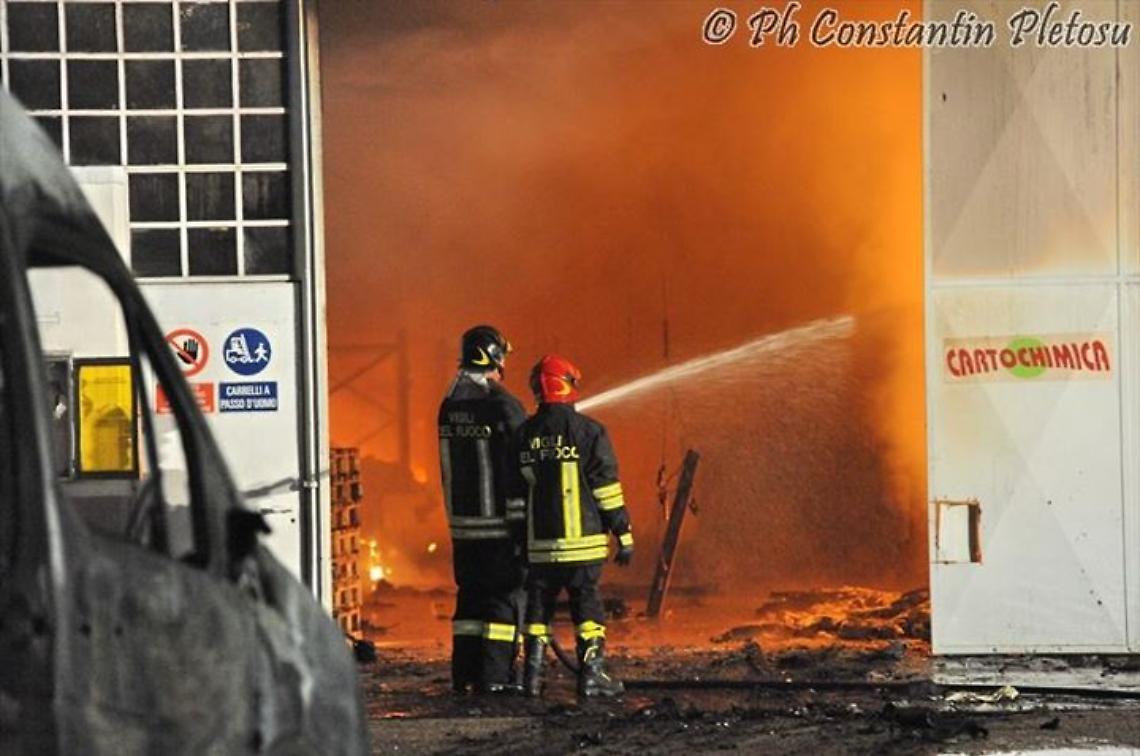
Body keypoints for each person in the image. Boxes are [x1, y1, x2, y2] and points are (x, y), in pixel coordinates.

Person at [515, 354, 634, 698]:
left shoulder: (524, 435)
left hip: (540, 548)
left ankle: (531, 680)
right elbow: (606, 489)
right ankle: (592, 676)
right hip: (584, 546)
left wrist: (519, 543)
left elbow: (516, 495)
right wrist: (623, 534)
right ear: (565, 384)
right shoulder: (590, 432)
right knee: (587, 607)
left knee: (538, 611)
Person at [437, 325, 528, 693]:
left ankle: (466, 673)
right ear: (495, 357)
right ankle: (494, 677)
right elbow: (519, 468)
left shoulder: (450, 405)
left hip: (463, 527)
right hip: (499, 528)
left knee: (470, 601)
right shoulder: (503, 405)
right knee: (503, 602)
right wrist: (521, 523)